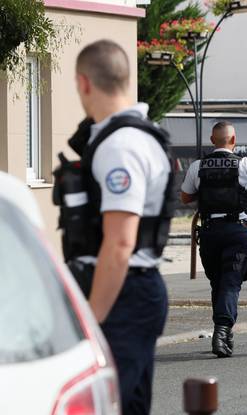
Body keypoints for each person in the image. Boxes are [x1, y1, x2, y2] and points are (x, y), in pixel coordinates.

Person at [54, 40, 172, 414]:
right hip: (131, 291)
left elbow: (120, 244)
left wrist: (91, 322)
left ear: (84, 83)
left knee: (105, 405)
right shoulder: (130, 136)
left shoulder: (121, 145)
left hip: (123, 293)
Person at [180, 122, 247, 357]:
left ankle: (223, 331)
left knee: (217, 282)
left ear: (212, 140)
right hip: (237, 231)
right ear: (234, 140)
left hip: (209, 231)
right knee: (230, 282)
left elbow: (186, 197)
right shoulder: (244, 165)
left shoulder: (198, 166)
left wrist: (207, 186)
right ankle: (222, 330)